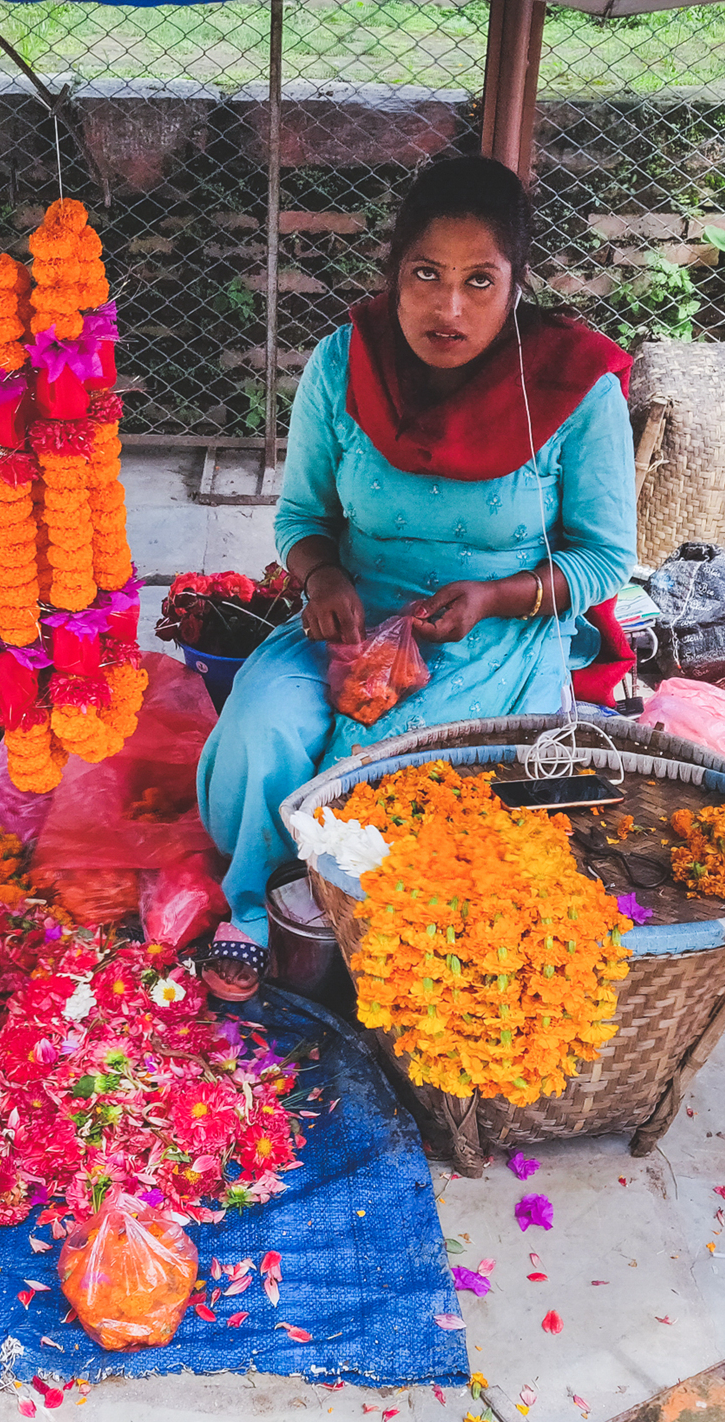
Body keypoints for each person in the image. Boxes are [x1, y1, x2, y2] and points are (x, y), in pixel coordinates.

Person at [195, 155, 638, 999]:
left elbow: (606, 558)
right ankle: (251, 907)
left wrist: (496, 597)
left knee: (394, 780)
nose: (448, 307)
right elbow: (301, 520)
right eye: (425, 275)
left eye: (481, 280)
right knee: (264, 725)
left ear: (516, 285)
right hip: (352, 619)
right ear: (393, 275)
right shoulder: (345, 362)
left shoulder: (571, 384)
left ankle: (359, 919)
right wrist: (322, 578)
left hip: (497, 638)